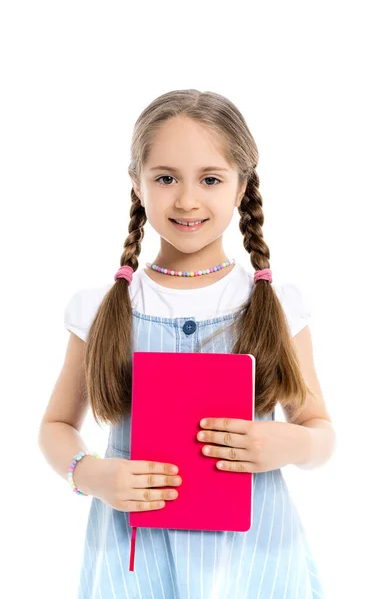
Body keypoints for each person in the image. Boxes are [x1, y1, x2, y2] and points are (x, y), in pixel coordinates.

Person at [38, 89, 335, 599]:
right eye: (166, 178)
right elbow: (56, 426)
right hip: (131, 558)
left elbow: (319, 431)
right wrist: (91, 475)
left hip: (257, 557)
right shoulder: (101, 307)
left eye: (211, 179)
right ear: (137, 184)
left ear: (242, 187)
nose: (187, 199)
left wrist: (292, 444)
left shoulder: (277, 305)